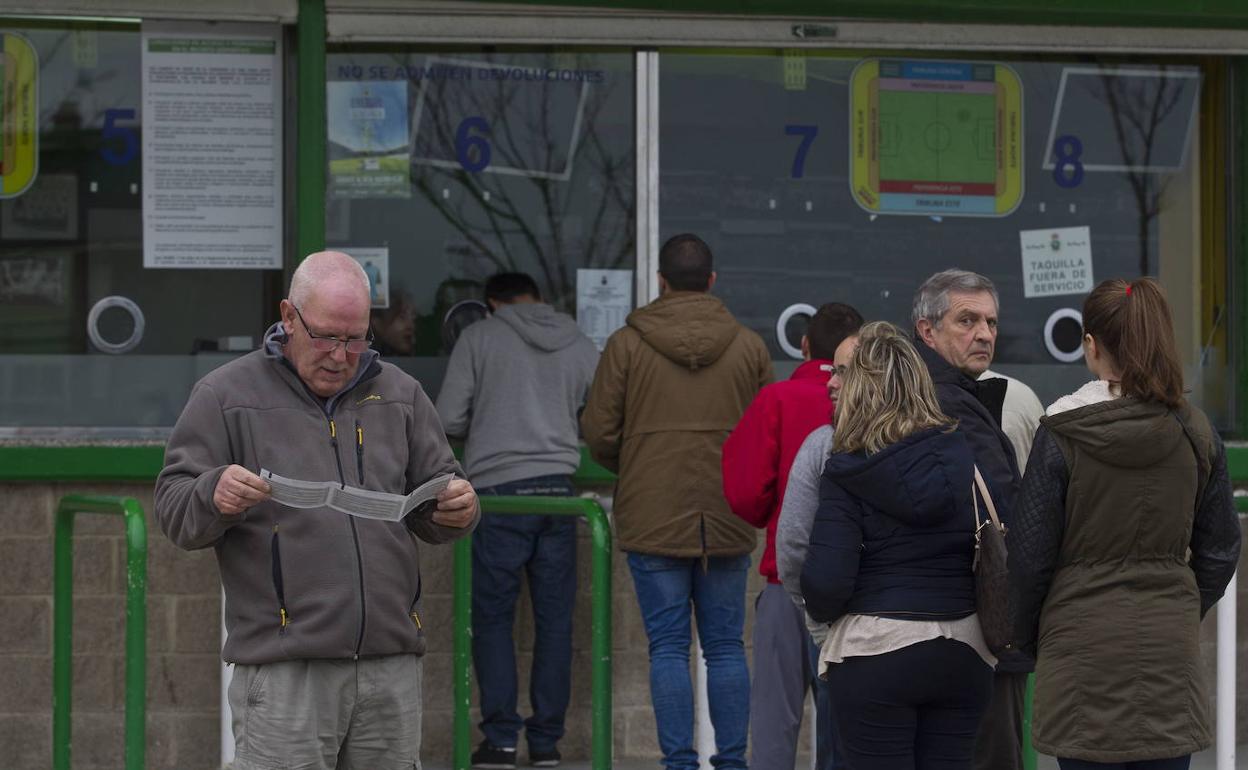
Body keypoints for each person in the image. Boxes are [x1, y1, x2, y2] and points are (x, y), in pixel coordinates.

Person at [154, 251, 480, 770]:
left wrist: (458, 507)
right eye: (326, 336)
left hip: (389, 665)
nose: (340, 354)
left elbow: (441, 494)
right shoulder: (225, 394)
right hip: (287, 669)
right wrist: (212, 493)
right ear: (288, 317)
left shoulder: (401, 394)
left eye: (356, 338)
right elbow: (173, 509)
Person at [1009, 277, 1241, 770]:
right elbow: (1221, 549)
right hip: (1167, 651)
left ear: (1091, 345)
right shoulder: (1198, 433)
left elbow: (1029, 559)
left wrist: (1030, 638)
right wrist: (1177, 602)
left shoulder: (1062, 432)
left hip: (1079, 651)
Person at [581, 233, 772, 770]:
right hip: (728, 513)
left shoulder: (626, 344)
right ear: (712, 281)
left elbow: (599, 432)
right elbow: (765, 436)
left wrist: (639, 466)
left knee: (667, 647)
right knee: (727, 647)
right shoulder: (748, 346)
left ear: (660, 281)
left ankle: (679, 764)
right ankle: (732, 763)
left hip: (652, 512)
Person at [800, 321, 994, 770]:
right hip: (964, 652)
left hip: (875, 654)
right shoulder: (963, 456)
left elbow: (826, 584)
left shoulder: (847, 469)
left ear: (858, 391)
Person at [436, 272, 599, 770]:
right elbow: (602, 414)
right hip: (558, 494)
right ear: (539, 299)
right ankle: (547, 743)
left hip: (498, 495)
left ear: (492, 304)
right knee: (555, 623)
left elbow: (446, 419)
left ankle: (502, 741)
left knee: (491, 621)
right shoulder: (578, 340)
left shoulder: (479, 336)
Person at [722, 302, 862, 770]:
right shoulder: (876, 408)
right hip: (855, 593)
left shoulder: (776, 399)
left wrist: (775, 511)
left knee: (774, 725)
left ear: (804, 345)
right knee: (843, 727)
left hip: (785, 584)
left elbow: (744, 495)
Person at [911, 268, 1028, 770]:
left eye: (991, 322)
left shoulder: (918, 392)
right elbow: (1005, 509)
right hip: (972, 627)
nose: (984, 334)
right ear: (927, 330)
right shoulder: (948, 403)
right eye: (967, 320)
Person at [774, 330, 860, 769]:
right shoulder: (935, 445)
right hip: (922, 642)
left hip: (843, 637)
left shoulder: (824, 446)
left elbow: (792, 545)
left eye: (842, 373)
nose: (829, 381)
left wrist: (817, 621)